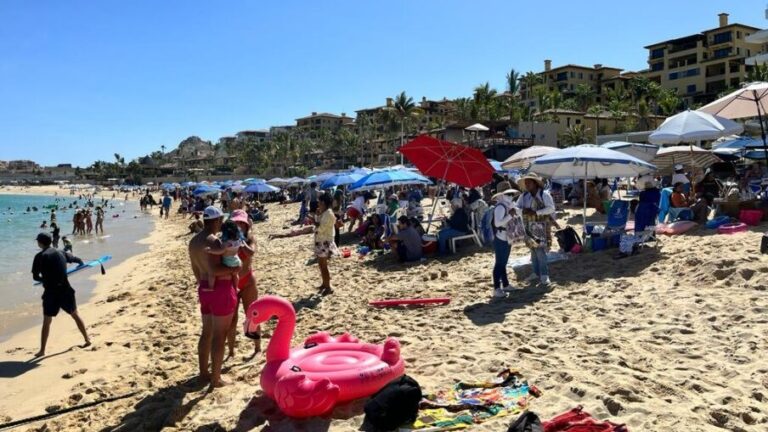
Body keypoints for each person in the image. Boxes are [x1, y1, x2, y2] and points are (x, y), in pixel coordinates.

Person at [188, 206, 240, 388]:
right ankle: (216, 379)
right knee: (219, 335)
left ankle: (203, 373)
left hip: (204, 288)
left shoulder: (193, 242)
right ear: (216, 221)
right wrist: (235, 269)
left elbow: (197, 269)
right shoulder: (214, 242)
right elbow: (216, 270)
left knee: (206, 332)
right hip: (221, 289)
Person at [31, 233, 91, 357]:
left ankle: (42, 351)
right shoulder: (61, 252)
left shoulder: (39, 256)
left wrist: (45, 279)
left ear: (40, 243)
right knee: (75, 314)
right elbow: (77, 259)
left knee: (47, 321)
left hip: (51, 293)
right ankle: (87, 339)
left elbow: (35, 277)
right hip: (65, 290)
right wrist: (80, 264)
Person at [226, 210, 260, 358]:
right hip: (230, 283)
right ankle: (231, 351)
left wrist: (241, 242)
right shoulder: (225, 239)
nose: (239, 225)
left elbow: (251, 253)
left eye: (241, 223)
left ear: (246, 225)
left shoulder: (250, 238)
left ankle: (257, 348)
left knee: (252, 315)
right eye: (235, 223)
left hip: (247, 282)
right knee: (231, 319)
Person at [516, 173, 555, 286]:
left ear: (535, 183)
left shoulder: (544, 195)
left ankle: (544, 275)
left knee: (540, 250)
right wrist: (523, 211)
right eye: (526, 183)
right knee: (533, 249)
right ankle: (536, 273)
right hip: (528, 225)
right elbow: (516, 207)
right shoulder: (524, 196)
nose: (527, 185)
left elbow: (551, 209)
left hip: (541, 226)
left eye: (529, 182)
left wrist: (536, 212)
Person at [491, 181, 521, 298]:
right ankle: (496, 288)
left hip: (507, 236)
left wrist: (515, 212)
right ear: (501, 195)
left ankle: (506, 284)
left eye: (511, 194)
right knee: (499, 263)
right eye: (508, 194)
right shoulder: (500, 207)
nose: (510, 196)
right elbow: (497, 223)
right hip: (501, 237)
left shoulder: (508, 205)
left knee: (503, 263)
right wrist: (510, 215)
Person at [315, 194, 338, 295]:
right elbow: (320, 224)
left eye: (319, 202)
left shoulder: (328, 213)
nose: (318, 204)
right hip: (321, 241)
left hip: (324, 242)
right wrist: (317, 216)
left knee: (324, 266)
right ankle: (324, 283)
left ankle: (328, 287)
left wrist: (314, 222)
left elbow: (321, 228)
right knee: (321, 264)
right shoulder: (325, 213)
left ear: (323, 202)